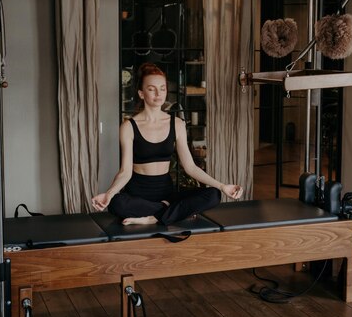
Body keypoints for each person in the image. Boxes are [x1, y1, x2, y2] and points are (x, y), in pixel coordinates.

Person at [92, 63, 243, 225]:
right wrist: (109, 194)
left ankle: (153, 217)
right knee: (117, 203)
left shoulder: (177, 124)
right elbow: (125, 172)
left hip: (167, 193)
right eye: (151, 89)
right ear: (141, 94)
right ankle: (170, 211)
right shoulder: (128, 127)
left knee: (214, 195)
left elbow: (190, 167)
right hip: (138, 195)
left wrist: (223, 186)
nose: (158, 93)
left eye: (162, 88)